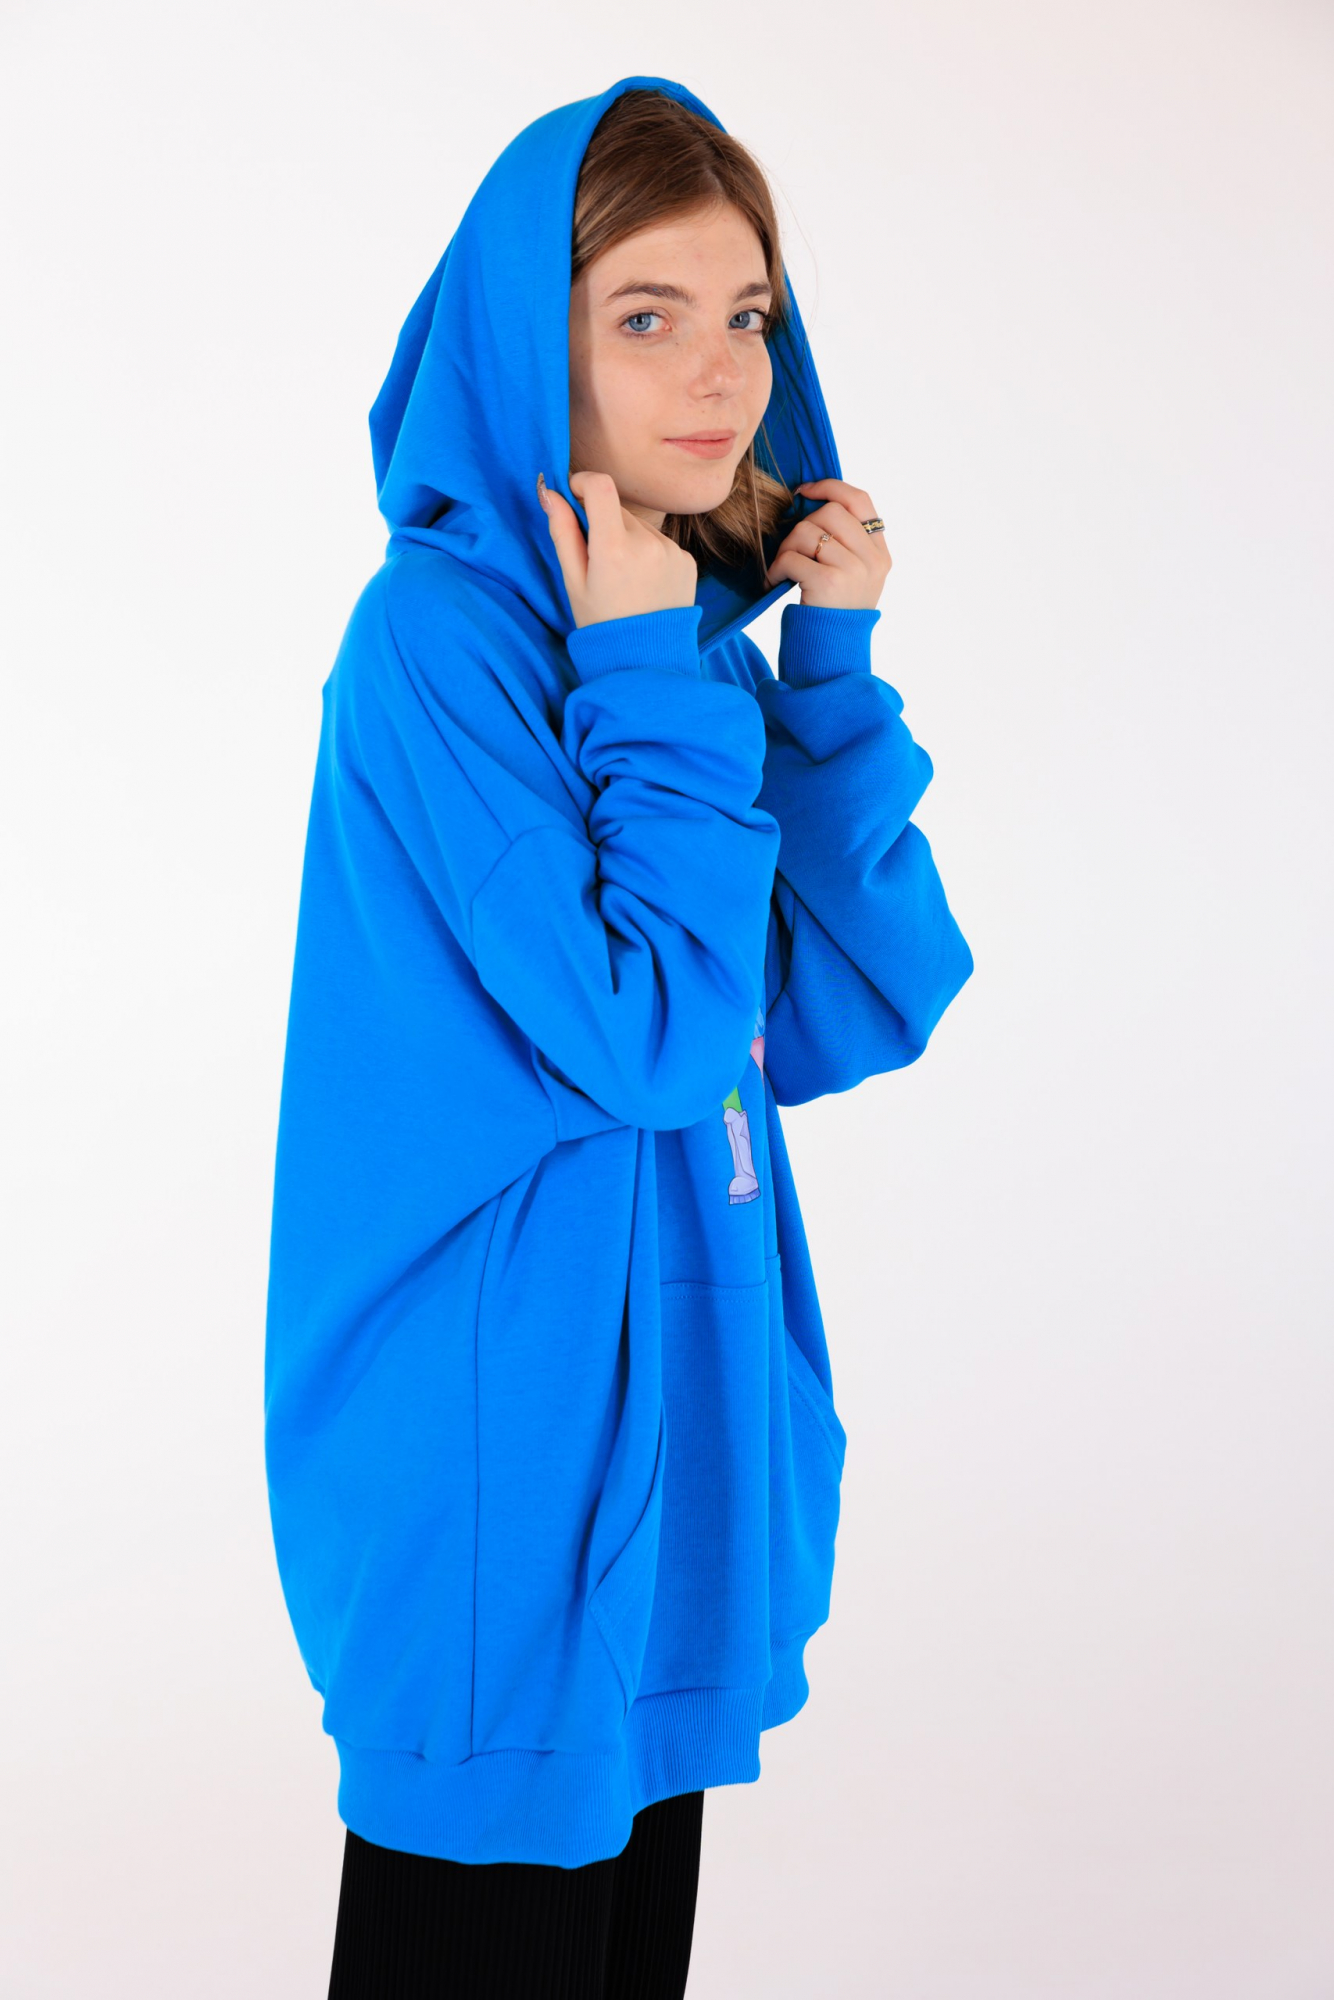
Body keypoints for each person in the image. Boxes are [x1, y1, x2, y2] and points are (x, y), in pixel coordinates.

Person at [263, 75, 975, 1999]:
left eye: (747, 313)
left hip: (674, 1423)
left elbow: (850, 1001)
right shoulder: (441, 642)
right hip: (506, 1451)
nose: (720, 371)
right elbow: (650, 1041)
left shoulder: (660, 630)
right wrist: (650, 668)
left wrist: (822, 663)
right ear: (527, 340)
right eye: (643, 315)